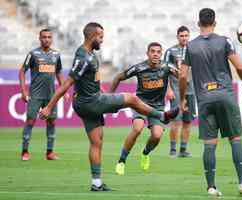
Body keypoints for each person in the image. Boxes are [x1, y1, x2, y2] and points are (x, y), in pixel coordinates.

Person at [39, 22, 179, 192]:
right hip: (91, 102)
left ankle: (96, 183)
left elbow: (89, 82)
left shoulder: (85, 52)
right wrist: (48, 107)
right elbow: (66, 84)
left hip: (85, 102)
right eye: (100, 37)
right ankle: (161, 115)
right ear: (92, 36)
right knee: (131, 99)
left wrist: (104, 91)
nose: (102, 40)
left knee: (96, 143)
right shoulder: (86, 58)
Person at [179, 8, 242, 196]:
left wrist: (182, 98)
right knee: (235, 139)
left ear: (198, 24)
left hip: (204, 99)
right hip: (225, 95)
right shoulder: (225, 41)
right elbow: (239, 66)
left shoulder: (190, 46)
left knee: (209, 144)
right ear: (215, 23)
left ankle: (211, 187)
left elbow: (182, 75)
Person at [111, 42, 177, 175]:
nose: (155, 54)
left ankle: (145, 153)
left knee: (157, 136)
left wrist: (178, 85)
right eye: (152, 51)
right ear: (148, 53)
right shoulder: (139, 68)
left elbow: (182, 76)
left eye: (158, 52)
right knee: (137, 128)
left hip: (158, 106)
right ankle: (122, 161)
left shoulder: (167, 67)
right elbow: (118, 77)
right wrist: (109, 97)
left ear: (161, 53)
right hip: (139, 104)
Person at [19, 28, 67, 161]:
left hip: (51, 95)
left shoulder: (56, 55)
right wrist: (23, 91)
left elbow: (58, 73)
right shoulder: (33, 54)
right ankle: (25, 151)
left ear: (52, 39)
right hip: (35, 95)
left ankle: (50, 152)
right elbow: (22, 71)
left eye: (49, 37)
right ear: (40, 39)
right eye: (44, 37)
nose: (47, 39)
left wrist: (64, 89)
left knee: (51, 122)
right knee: (30, 121)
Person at [164, 26, 196, 158]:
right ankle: (172, 149)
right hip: (176, 90)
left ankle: (183, 150)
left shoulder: (194, 51)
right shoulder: (170, 51)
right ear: (177, 37)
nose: (184, 38)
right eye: (181, 36)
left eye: (186, 36)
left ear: (189, 36)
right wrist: (169, 89)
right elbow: (164, 71)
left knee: (188, 121)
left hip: (191, 91)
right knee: (176, 121)